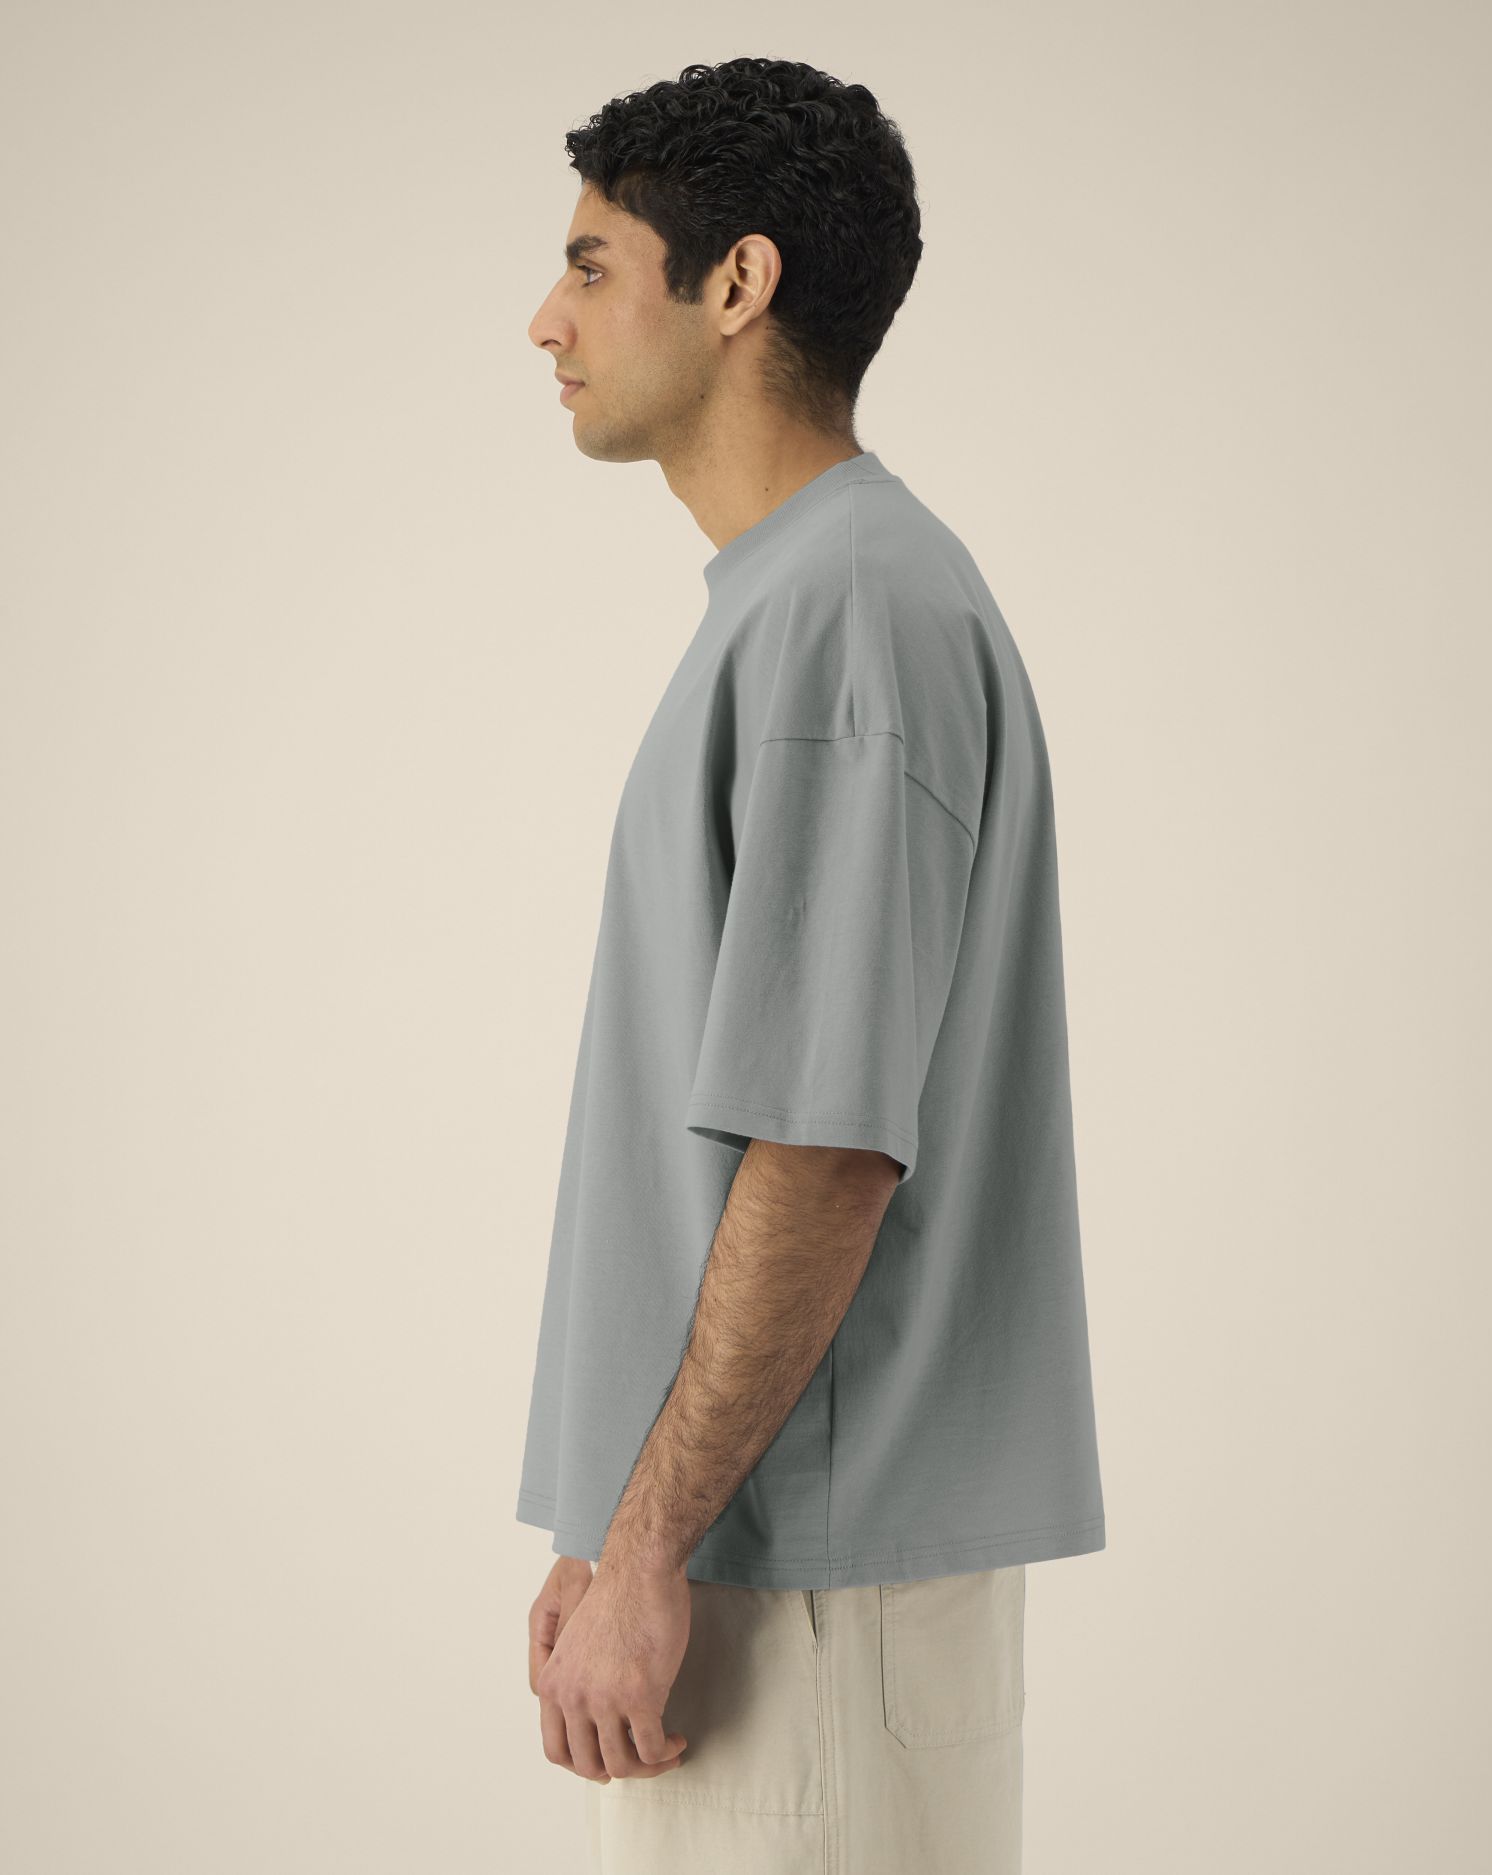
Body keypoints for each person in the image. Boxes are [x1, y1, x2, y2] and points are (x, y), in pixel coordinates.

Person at [518, 56, 1106, 1875]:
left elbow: (827, 1144)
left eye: (592, 265)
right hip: (756, 1570)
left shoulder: (850, 608)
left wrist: (646, 1543)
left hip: (802, 1602)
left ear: (739, 283)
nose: (545, 320)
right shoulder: (807, 599)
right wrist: (614, 1525)